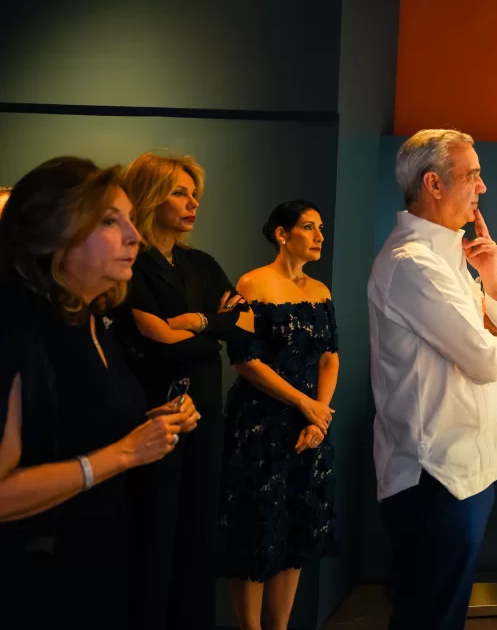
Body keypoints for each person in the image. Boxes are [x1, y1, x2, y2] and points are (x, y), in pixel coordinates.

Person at [0, 157, 198, 627]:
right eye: (110, 221)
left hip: (97, 567)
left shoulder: (88, 318)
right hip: (35, 588)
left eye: (131, 219)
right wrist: (126, 453)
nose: (136, 236)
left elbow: (72, 426)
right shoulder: (17, 331)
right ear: (53, 234)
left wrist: (151, 423)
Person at [368, 129, 497, 630]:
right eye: (472, 175)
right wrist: (492, 340)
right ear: (434, 183)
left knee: (443, 616)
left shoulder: (453, 254)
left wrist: (491, 282)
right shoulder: (414, 263)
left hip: (470, 472)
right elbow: (487, 360)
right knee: (429, 619)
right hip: (435, 478)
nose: (482, 187)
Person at [120, 151, 245, 630]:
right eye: (179, 192)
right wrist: (216, 327)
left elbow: (244, 325)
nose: (192, 203)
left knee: (198, 537)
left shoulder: (201, 263)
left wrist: (195, 322)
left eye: (194, 194)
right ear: (151, 196)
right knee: (154, 538)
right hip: (155, 416)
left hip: (207, 416)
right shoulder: (133, 264)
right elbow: (158, 340)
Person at [221, 201, 339, 630]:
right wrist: (303, 404)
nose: (319, 236)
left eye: (320, 228)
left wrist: (317, 416)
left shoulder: (321, 292)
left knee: (298, 526)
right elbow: (244, 361)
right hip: (258, 423)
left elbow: (330, 358)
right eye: (309, 227)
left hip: (308, 427)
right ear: (282, 234)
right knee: (254, 527)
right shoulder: (253, 284)